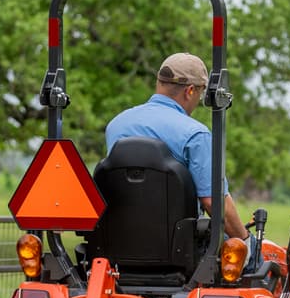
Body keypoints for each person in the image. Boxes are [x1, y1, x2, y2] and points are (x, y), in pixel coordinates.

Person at [105, 52, 248, 241]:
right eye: (200, 92)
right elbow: (213, 201)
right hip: (178, 250)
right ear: (190, 91)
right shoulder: (195, 135)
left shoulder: (117, 124)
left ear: (159, 83)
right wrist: (246, 242)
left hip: (118, 243)